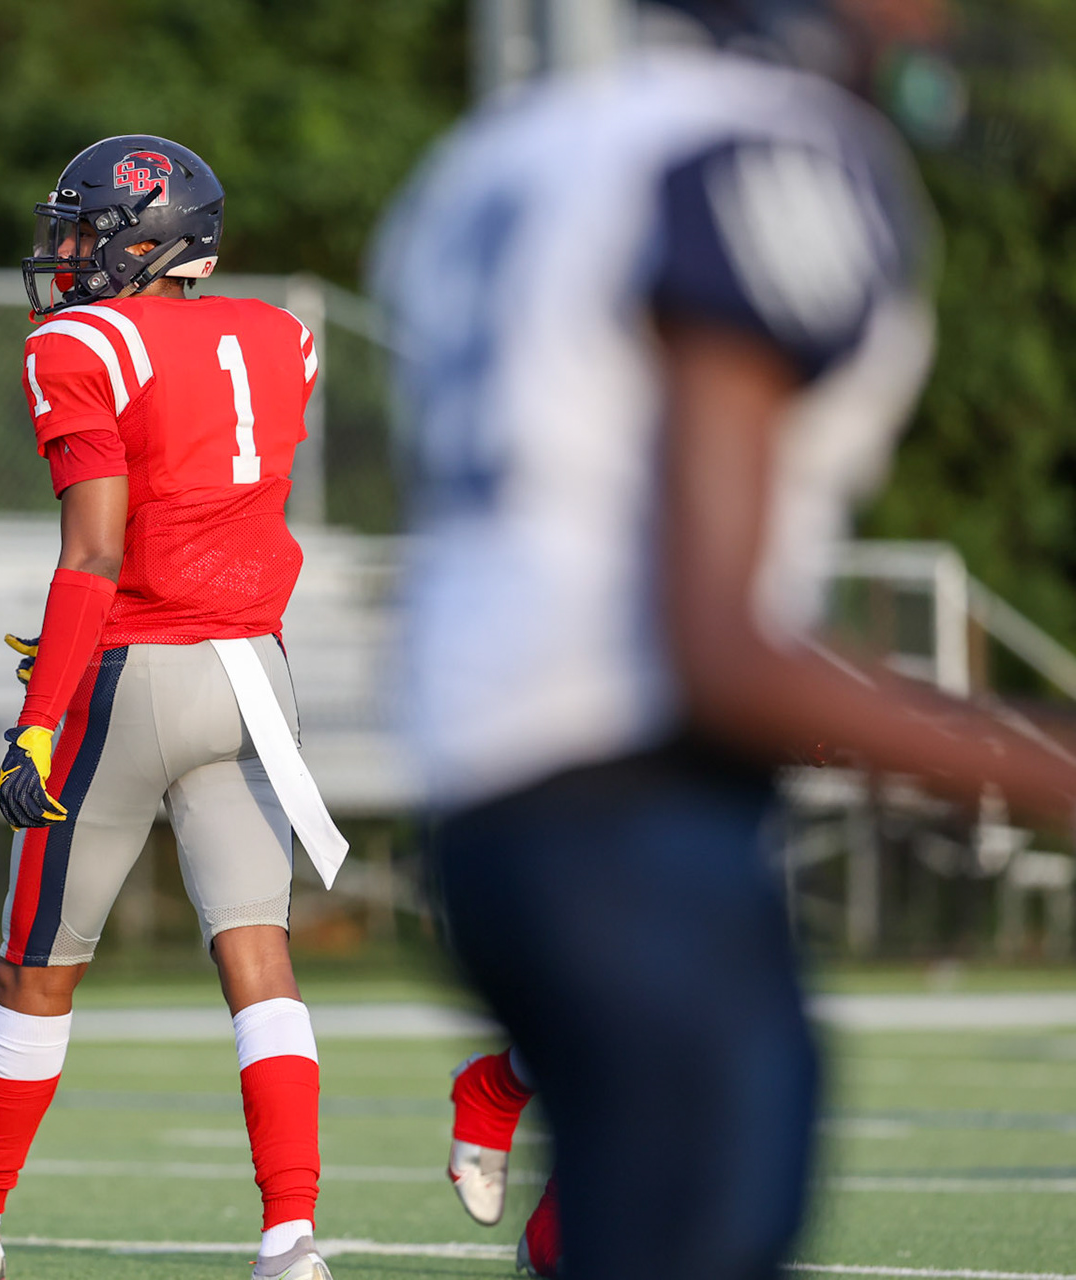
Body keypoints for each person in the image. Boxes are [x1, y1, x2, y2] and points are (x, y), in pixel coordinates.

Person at [373, 2, 1076, 1278]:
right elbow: (718, 646)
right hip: (629, 814)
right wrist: (1043, 765)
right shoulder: (763, 151)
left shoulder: (514, 145)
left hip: (485, 807)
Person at [0, 134, 346, 1280]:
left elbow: (96, 550)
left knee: (36, 966)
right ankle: (291, 1237)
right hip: (256, 674)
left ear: (152, 239)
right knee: (257, 956)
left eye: (85, 231)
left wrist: (38, 719)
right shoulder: (280, 336)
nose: (64, 254)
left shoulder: (84, 342)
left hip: (137, 674)